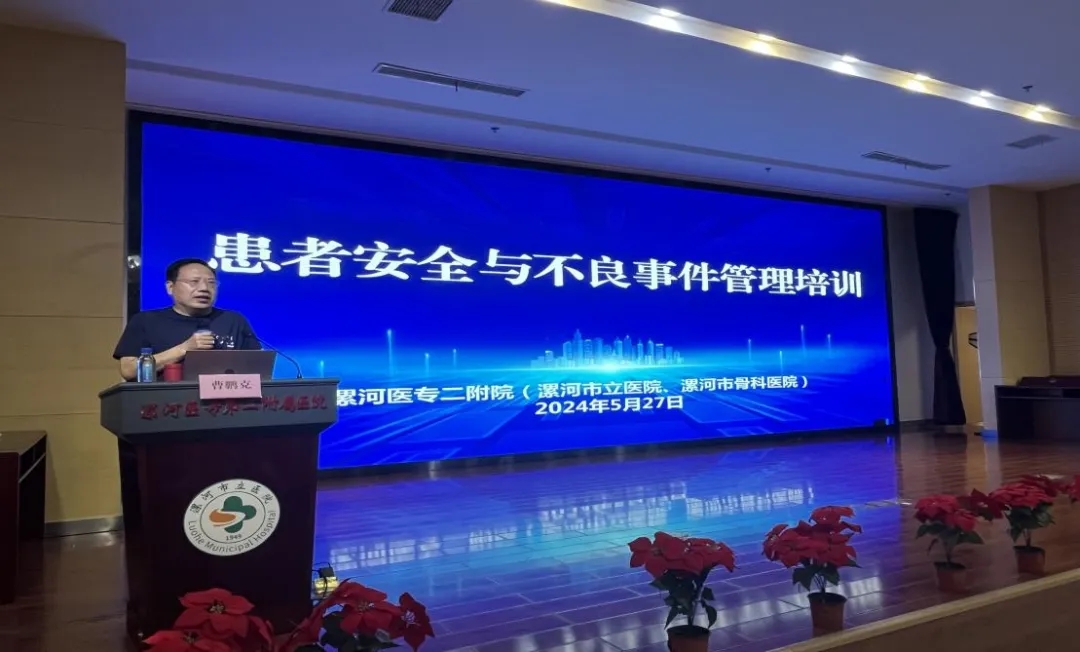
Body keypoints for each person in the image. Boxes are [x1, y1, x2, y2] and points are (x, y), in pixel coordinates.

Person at [113, 258, 261, 380]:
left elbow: (258, 367)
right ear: (170, 287)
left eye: (211, 283)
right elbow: (129, 370)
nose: (204, 288)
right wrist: (184, 349)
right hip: (166, 403)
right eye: (194, 282)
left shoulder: (233, 320)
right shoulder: (146, 321)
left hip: (227, 402)